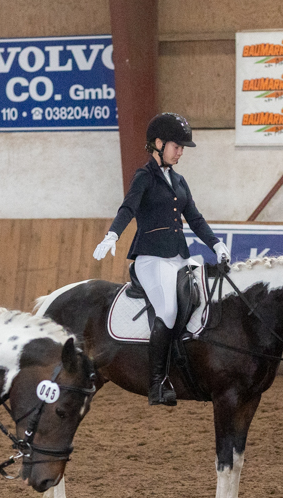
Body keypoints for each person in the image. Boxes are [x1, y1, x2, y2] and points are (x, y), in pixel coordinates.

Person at [93, 112, 230, 406]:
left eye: (182, 148)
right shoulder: (145, 177)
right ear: (158, 144)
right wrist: (112, 235)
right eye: (176, 146)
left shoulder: (179, 181)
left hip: (179, 257)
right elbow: (128, 208)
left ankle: (184, 366)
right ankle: (156, 382)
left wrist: (216, 243)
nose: (180, 152)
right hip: (151, 258)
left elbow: (194, 218)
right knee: (167, 311)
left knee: (200, 302)